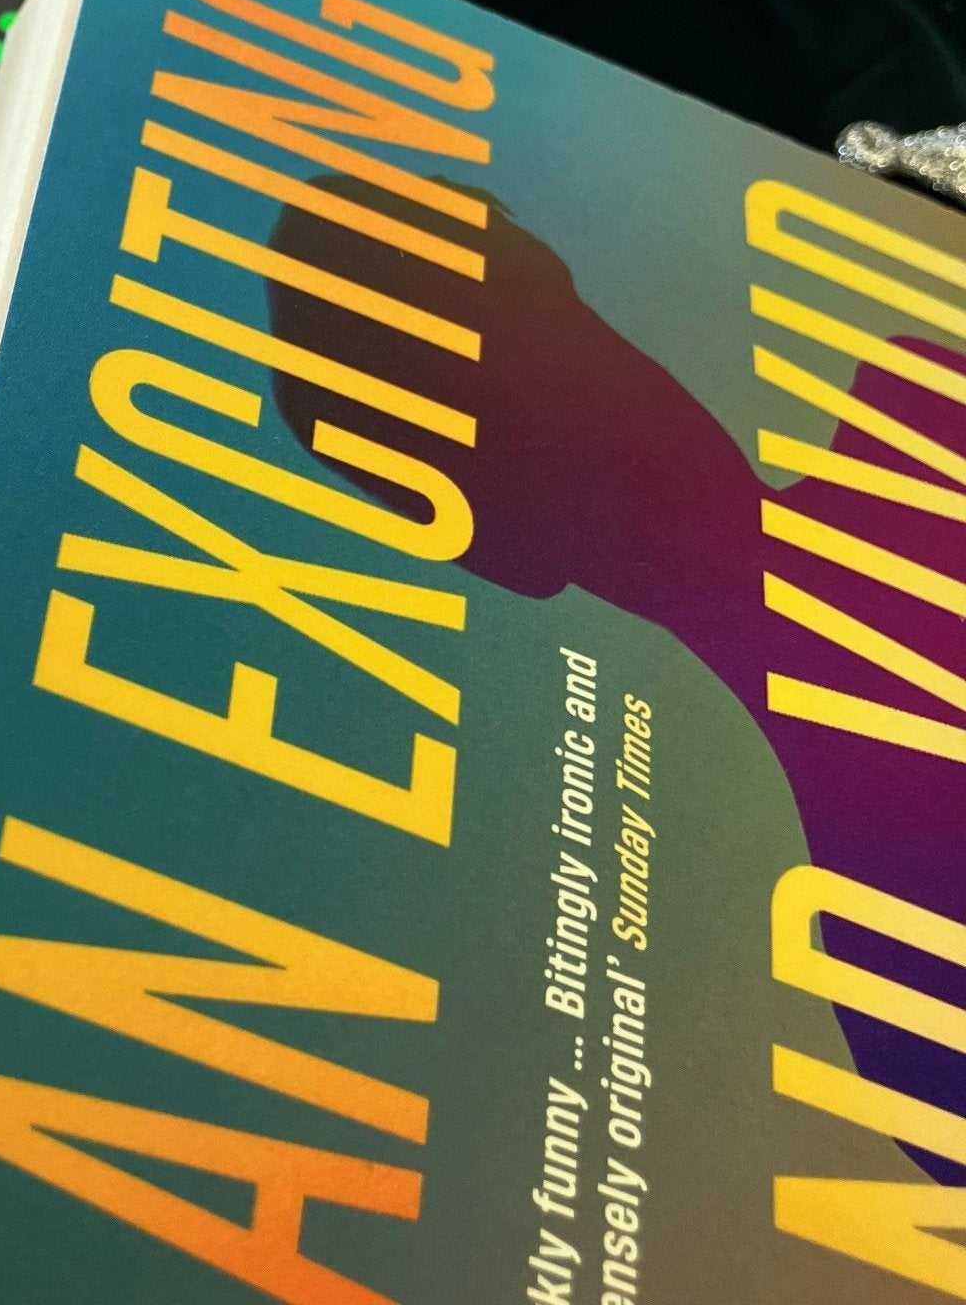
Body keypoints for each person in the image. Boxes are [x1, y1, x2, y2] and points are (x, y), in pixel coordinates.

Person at [265, 179, 966, 1177]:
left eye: (530, 311)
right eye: (478, 403)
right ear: (490, 551)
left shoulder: (928, 411)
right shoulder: (898, 980)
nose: (565, 388)